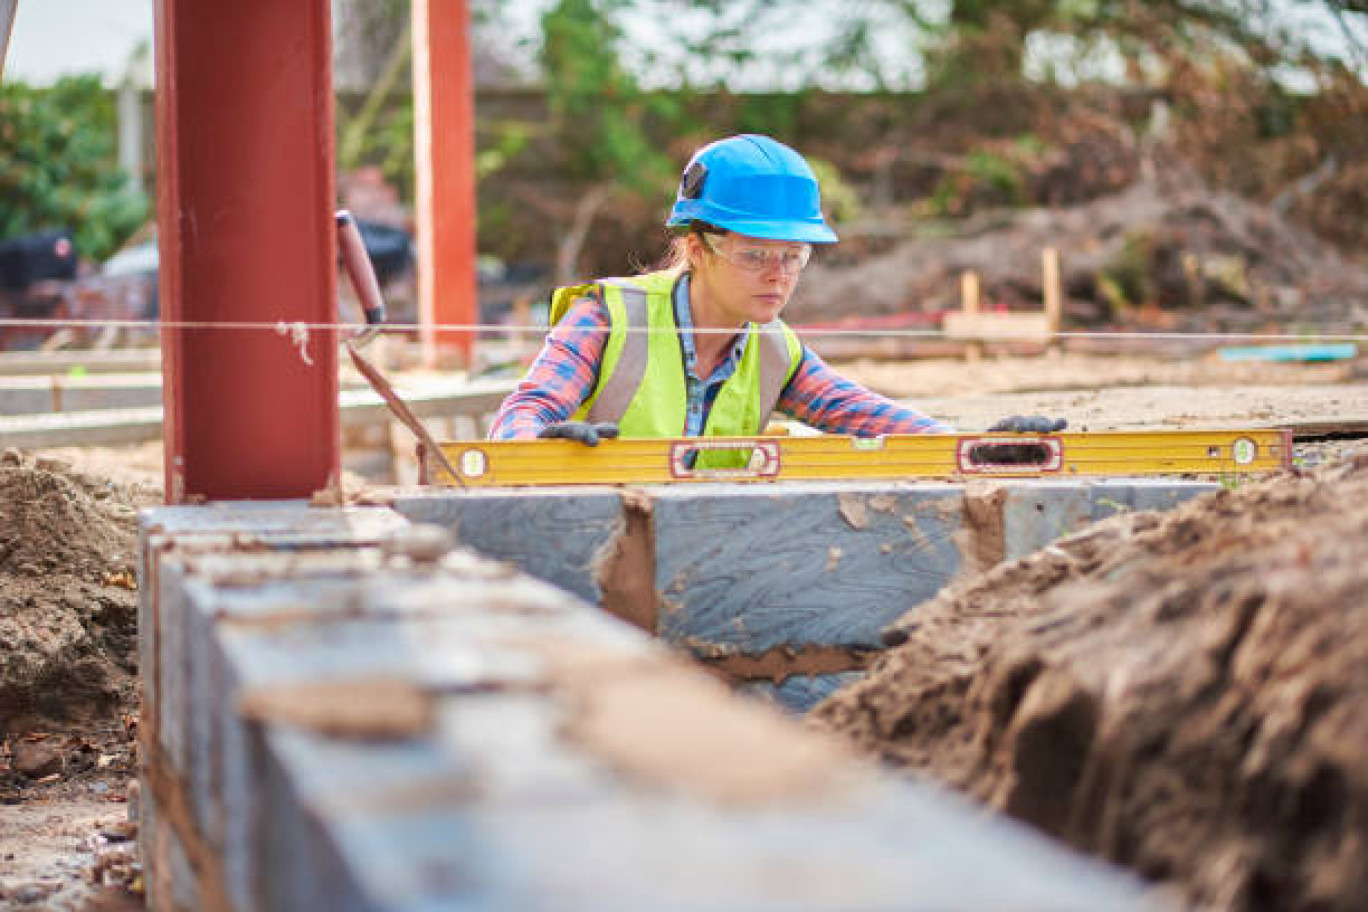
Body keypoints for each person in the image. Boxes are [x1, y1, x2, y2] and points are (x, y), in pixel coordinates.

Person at [488, 134, 1063, 460]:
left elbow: (863, 414)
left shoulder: (773, 351)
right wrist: (540, 443)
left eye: (793, 257)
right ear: (699, 249)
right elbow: (519, 417)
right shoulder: (608, 318)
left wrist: (977, 446)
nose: (778, 275)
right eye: (756, 255)